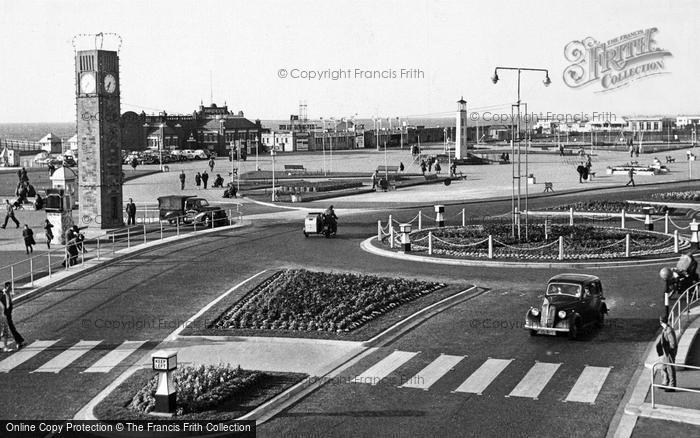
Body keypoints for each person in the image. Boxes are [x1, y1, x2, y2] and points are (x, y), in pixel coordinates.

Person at [1, 282, 25, 351]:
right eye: (9, 287)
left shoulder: (9, 294)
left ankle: (19, 341)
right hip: (4, 314)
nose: (11, 288)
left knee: (11, 328)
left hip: (8, 314)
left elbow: (9, 303)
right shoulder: (2, 294)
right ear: (6, 287)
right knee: (8, 329)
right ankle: (19, 341)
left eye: (11, 287)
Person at [657, 315, 677, 391]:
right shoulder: (665, 329)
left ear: (661, 321)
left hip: (669, 352)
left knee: (670, 368)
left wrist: (669, 351)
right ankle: (665, 382)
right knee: (664, 367)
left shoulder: (669, 330)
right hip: (666, 352)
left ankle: (672, 386)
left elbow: (673, 343)